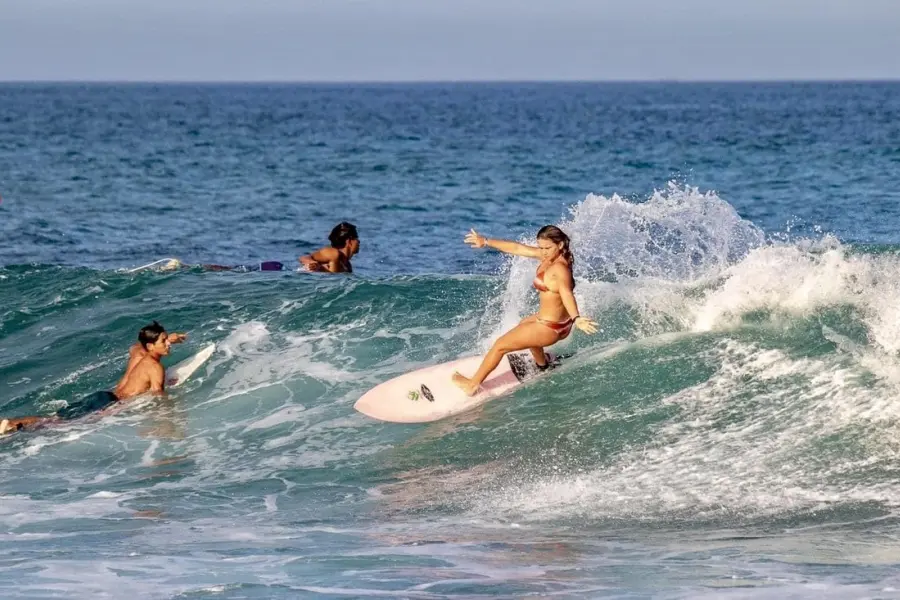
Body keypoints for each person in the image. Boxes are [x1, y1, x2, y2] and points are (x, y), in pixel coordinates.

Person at [452, 225, 598, 396]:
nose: (543, 252)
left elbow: (566, 293)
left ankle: (472, 385)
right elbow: (517, 248)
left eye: (547, 248)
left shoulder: (559, 268)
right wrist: (485, 241)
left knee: (500, 346)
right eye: (541, 247)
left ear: (559, 245)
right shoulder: (549, 257)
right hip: (554, 322)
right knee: (524, 324)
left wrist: (577, 318)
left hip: (550, 328)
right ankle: (542, 366)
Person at [0, 321, 184, 435]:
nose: (168, 344)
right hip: (109, 404)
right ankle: (13, 427)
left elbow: (136, 345)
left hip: (102, 395)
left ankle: (9, 423)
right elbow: (157, 396)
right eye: (164, 341)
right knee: (57, 424)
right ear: (151, 346)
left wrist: (166, 338)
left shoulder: (138, 353)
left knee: (54, 418)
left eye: (168, 339)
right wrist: (169, 418)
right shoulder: (155, 367)